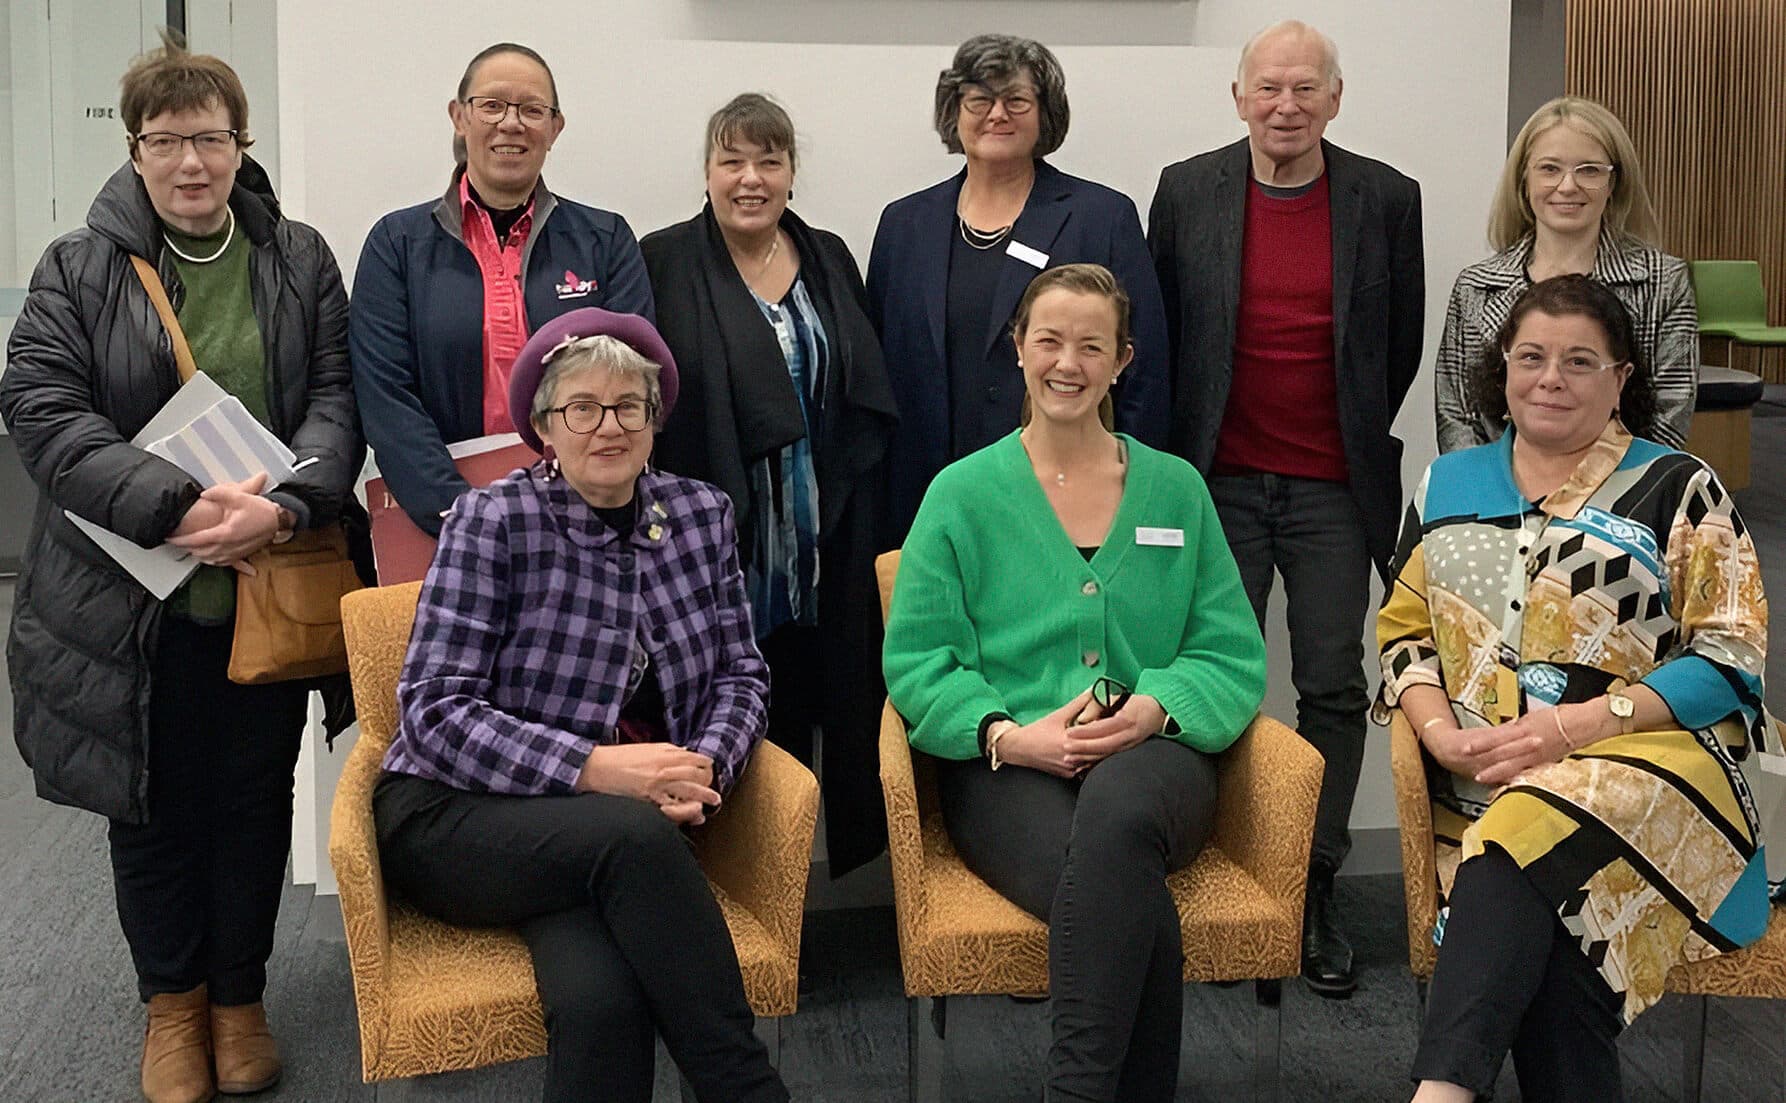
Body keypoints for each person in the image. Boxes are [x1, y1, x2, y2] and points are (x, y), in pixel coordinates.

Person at [0, 37, 362, 1103]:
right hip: (127, 599)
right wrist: (177, 505)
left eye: (209, 137)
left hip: (263, 586)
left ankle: (239, 997)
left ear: (240, 144)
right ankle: (172, 1004)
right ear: (136, 151)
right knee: (152, 808)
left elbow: (335, 400)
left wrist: (282, 502)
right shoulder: (77, 266)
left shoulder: (298, 258)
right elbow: (42, 407)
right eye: (165, 140)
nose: (190, 161)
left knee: (252, 802)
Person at [374, 308, 789, 1103]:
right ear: (543, 427)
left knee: (602, 1003)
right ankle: (746, 1087)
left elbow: (742, 674)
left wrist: (702, 768)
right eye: (583, 408)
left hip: (609, 840)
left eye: (630, 406)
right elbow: (432, 708)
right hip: (454, 812)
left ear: (655, 418)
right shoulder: (493, 519)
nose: (609, 427)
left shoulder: (700, 514)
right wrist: (595, 770)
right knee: (630, 837)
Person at [1378, 276, 1771, 1103]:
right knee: (1559, 957)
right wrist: (1441, 735)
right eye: (1532, 357)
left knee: (1512, 845)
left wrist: (1585, 723)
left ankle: (1439, 1091)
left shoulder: (1678, 484)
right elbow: (1405, 634)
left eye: (1579, 361)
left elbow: (1732, 653)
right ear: (1503, 369)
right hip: (1486, 784)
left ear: (1621, 378)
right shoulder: (1446, 483)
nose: (1551, 378)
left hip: (1654, 782)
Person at [883, 264, 1266, 1103]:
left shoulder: (1178, 489)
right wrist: (1009, 735)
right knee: (1124, 898)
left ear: (1122, 360)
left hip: (1158, 757)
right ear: (1018, 348)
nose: (1068, 362)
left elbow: (1231, 651)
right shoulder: (959, 494)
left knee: (1120, 815)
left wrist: (1154, 708)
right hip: (1005, 764)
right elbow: (918, 660)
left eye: (1092, 346)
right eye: (1049, 340)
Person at [1146, 18, 1424, 997]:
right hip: (1212, 482)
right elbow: (1164, 336)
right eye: (1268, 87)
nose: (1286, 105)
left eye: (1306, 88)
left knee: (1332, 686)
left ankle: (1312, 883)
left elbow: (1393, 349)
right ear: (1238, 97)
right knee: (1200, 679)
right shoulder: (1187, 190)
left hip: (1331, 489)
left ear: (1335, 99)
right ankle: (1215, 874)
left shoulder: (1386, 197)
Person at [641, 93, 899, 876]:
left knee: (830, 708)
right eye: (732, 161)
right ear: (707, 172)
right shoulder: (663, 261)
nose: (750, 178)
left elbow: (863, 393)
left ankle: (802, 897)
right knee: (727, 718)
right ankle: (724, 895)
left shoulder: (828, 256)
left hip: (827, 539)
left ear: (791, 173)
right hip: (725, 546)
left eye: (769, 161)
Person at [867, 33, 1170, 546]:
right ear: (954, 111)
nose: (997, 114)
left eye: (1016, 100)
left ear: (1045, 113)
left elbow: (1144, 372)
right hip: (927, 497)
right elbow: (878, 374)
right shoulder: (904, 226)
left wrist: (1132, 492)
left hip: (1068, 499)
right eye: (979, 100)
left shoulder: (1101, 218)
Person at [350, 41, 654, 536]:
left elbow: (630, 385)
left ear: (555, 128)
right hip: (441, 522)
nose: (511, 123)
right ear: (459, 117)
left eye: (532, 110)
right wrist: (464, 516)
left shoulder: (607, 241)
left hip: (585, 516)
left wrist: (580, 507)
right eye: (491, 105)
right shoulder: (396, 245)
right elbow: (386, 397)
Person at [1435, 96, 1696, 453]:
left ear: (1613, 183)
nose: (1568, 186)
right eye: (1549, 169)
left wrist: (1590, 485)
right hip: (1496, 485)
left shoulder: (1664, 282)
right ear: (1524, 180)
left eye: (1589, 170)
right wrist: (1498, 483)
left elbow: (1669, 416)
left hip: (1626, 484)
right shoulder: (1476, 288)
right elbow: (1457, 418)